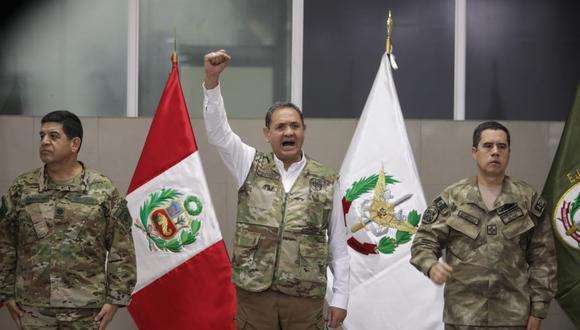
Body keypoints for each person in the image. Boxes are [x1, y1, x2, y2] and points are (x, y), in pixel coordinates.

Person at [203, 49, 349, 329]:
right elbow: (218, 133)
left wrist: (341, 297)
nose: (289, 132)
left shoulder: (327, 178)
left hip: (304, 301)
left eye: (295, 126)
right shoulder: (248, 164)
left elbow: (338, 246)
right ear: (267, 134)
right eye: (280, 127)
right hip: (254, 298)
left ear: (304, 130)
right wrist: (211, 81)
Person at [410, 121, 556, 330]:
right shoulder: (453, 198)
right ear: (474, 152)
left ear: (508, 152)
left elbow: (544, 258)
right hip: (463, 317)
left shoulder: (527, 199)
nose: (495, 152)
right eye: (488, 146)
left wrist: (538, 310)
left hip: (513, 318)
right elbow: (423, 241)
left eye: (501, 146)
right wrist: (431, 266)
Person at [0, 110, 136, 330]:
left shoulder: (101, 189)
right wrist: (6, 292)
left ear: (74, 144)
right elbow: (5, 242)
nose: (44, 141)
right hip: (33, 308)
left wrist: (115, 299)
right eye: (42, 135)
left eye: (53, 136)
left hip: (84, 310)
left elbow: (122, 247)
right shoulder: (22, 188)